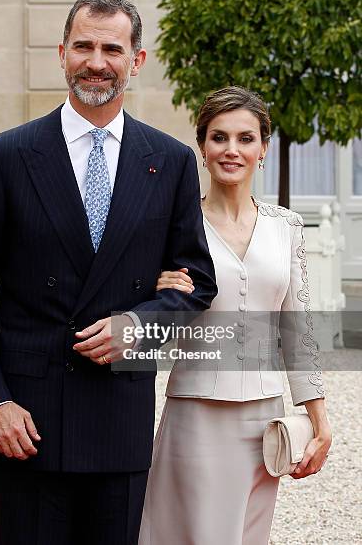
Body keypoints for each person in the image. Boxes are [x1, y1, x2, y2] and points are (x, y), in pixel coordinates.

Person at [0, 0, 217, 545]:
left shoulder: (171, 161)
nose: (97, 61)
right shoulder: (5, 156)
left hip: (119, 421)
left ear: (136, 61)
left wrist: (139, 327)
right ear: (61, 54)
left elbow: (197, 281)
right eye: (84, 46)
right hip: (25, 424)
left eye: (112, 48)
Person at [138, 86, 332, 545]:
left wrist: (319, 421)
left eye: (246, 138)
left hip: (267, 424)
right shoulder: (175, 228)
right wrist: (158, 298)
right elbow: (148, 337)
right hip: (196, 417)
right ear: (202, 148)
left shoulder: (287, 226)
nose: (232, 150)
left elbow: (298, 329)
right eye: (219, 137)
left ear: (263, 147)